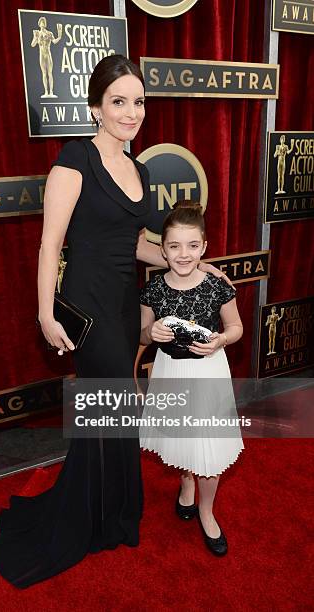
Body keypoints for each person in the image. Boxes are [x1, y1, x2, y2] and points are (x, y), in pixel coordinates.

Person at [0, 56, 232, 587]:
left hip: (126, 303)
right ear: (96, 107)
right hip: (87, 304)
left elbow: (139, 245)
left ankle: (112, 512)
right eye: (118, 101)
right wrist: (44, 310)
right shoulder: (73, 159)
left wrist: (186, 262)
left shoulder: (140, 170)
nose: (130, 112)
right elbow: (50, 242)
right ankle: (92, 517)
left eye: (138, 101)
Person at [139, 201, 244, 556]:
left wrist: (221, 340)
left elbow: (236, 327)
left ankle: (207, 510)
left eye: (192, 246)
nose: (184, 254)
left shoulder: (216, 286)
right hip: (171, 373)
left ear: (204, 247)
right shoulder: (153, 289)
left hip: (209, 372)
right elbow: (141, 335)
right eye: (174, 246)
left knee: (210, 450)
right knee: (182, 440)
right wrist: (151, 332)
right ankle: (186, 487)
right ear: (162, 249)